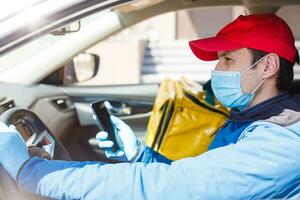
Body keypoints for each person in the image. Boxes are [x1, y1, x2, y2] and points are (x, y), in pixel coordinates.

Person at [1, 13, 300, 199]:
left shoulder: (282, 142)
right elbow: (206, 184)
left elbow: (177, 189)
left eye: (228, 59)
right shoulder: (248, 122)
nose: (217, 71)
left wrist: (31, 170)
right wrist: (140, 155)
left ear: (267, 66)